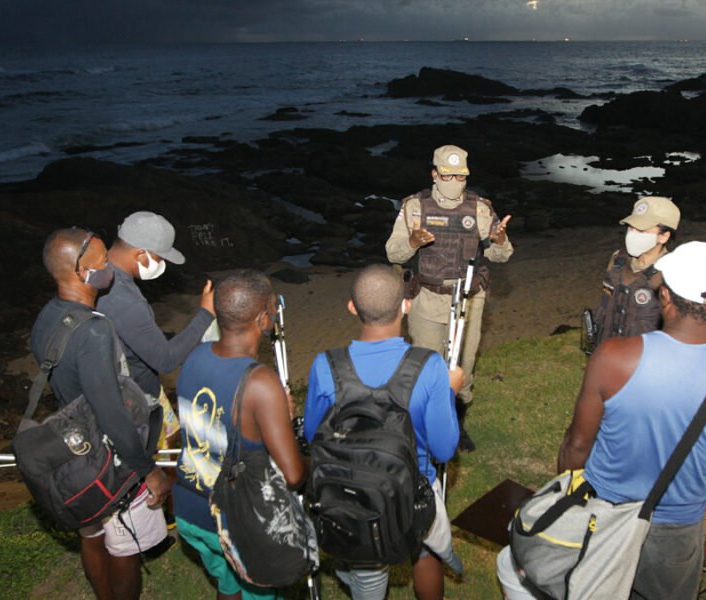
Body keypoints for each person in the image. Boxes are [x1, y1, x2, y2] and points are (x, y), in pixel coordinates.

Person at [498, 241, 706, 600]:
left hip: (604, 515)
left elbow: (576, 447)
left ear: (666, 298)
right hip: (675, 537)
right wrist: (697, 451)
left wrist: (566, 493)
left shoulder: (615, 357)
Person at [303, 264, 464, 600]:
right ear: (406, 304)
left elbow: (311, 435)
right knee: (426, 551)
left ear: (351, 307)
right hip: (414, 489)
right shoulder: (430, 366)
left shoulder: (325, 365)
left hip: (350, 493)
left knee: (366, 569)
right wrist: (449, 392)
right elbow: (444, 449)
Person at [31, 227, 171, 600]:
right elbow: (111, 412)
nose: (110, 267)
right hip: (104, 456)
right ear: (81, 272)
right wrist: (147, 469)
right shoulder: (94, 331)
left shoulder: (49, 316)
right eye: (103, 262)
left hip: (71, 447)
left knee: (91, 534)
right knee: (124, 547)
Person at [174, 269, 306, 600]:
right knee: (256, 589)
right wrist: (283, 420)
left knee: (229, 583)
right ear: (263, 319)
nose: (276, 312)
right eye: (274, 307)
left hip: (190, 508)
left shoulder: (194, 357)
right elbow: (293, 475)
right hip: (234, 521)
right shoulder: (261, 382)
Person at [385, 144, 513, 452]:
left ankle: (457, 423)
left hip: (469, 300)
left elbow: (501, 256)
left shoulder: (480, 208)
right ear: (434, 174)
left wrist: (500, 240)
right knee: (426, 365)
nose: (454, 181)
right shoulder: (414, 207)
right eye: (447, 175)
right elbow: (392, 252)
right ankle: (425, 426)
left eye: (460, 176)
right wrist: (413, 242)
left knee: (463, 366)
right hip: (427, 298)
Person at [97, 211, 216, 450]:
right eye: (159, 257)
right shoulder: (124, 300)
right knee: (159, 462)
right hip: (137, 402)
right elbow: (165, 359)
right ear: (140, 253)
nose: (161, 264)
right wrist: (206, 314)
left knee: (171, 443)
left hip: (129, 385)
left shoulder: (98, 275)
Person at [589, 196, 680, 350]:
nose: (632, 234)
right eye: (631, 228)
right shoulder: (617, 260)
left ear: (663, 236)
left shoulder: (671, 272)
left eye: (642, 231)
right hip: (607, 354)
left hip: (644, 361)